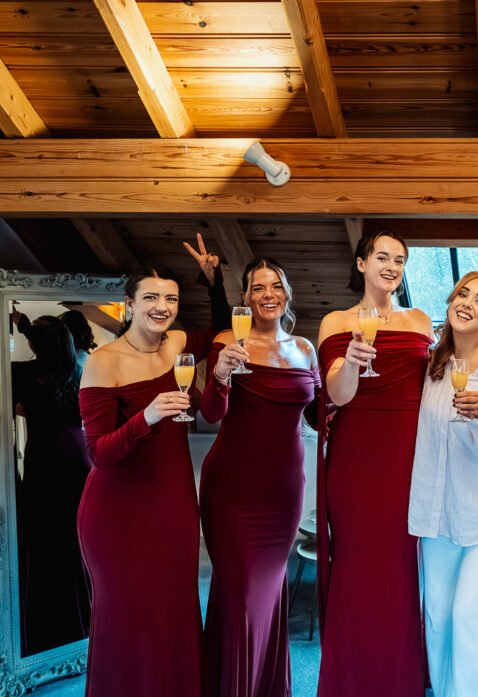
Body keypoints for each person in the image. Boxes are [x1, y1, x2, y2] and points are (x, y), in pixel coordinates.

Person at [77, 235, 228, 697]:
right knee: (128, 619)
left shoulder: (177, 344)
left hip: (174, 504)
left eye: (170, 299)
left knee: (175, 610)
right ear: (129, 304)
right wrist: (146, 418)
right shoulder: (103, 363)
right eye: (151, 298)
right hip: (117, 514)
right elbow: (99, 453)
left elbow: (223, 331)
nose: (162, 307)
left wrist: (213, 280)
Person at [316, 230, 434, 696]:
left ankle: (399, 682)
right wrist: (349, 361)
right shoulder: (335, 322)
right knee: (359, 573)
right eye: (382, 257)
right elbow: (337, 395)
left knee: (402, 575)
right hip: (356, 463)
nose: (391, 266)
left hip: (409, 460)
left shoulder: (422, 320)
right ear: (362, 263)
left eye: (399, 260)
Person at [199, 258, 319, 697]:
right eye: (258, 288)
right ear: (245, 298)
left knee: (268, 596)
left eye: (276, 286)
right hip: (232, 491)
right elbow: (210, 413)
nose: (268, 294)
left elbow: (319, 415)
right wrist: (219, 375)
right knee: (241, 597)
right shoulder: (227, 341)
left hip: (283, 492)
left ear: (286, 293)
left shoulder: (305, 349)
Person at [410, 271, 478, 697]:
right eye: (462, 294)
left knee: (469, 614)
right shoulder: (433, 362)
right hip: (438, 509)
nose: (467, 303)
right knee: (436, 615)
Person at [11, 316, 91, 654]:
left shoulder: (22, 374)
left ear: (35, 346)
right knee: (76, 545)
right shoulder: (81, 370)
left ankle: (49, 630)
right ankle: (83, 622)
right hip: (79, 460)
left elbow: (17, 407)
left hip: (45, 463)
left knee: (45, 547)